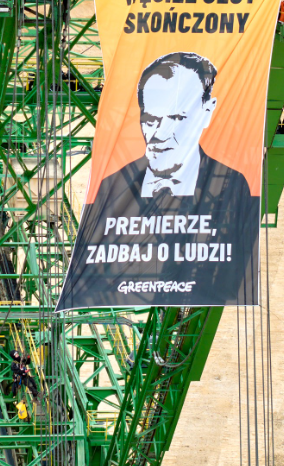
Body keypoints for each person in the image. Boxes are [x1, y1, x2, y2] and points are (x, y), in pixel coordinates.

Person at [57, 51, 260, 309]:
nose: (160, 135)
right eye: (151, 120)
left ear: (207, 112)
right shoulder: (111, 186)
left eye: (176, 119)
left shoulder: (233, 184)